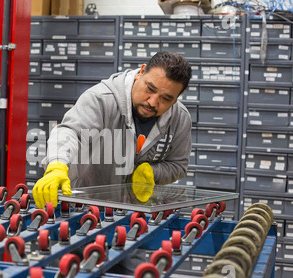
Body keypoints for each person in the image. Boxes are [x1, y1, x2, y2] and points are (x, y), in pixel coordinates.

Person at [32, 51, 193, 210]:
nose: (152, 102)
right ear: (141, 72)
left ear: (179, 95)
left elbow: (178, 165)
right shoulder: (101, 99)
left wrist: (152, 172)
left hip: (133, 211)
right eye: (150, 89)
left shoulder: (180, 118)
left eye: (166, 98)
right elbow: (71, 131)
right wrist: (57, 166)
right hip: (83, 206)